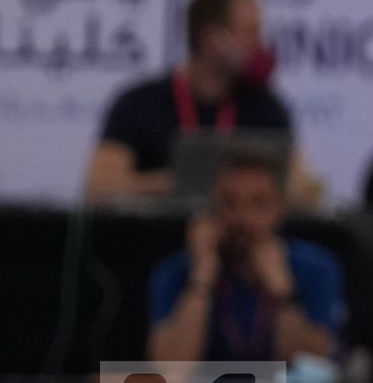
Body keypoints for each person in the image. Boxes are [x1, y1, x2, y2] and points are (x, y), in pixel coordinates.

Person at [86, 0, 323, 207]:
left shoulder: (267, 107)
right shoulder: (138, 104)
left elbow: (303, 187)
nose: (261, 45)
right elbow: (98, 187)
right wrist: (163, 186)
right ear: (212, 39)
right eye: (250, 33)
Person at [147, 143, 344, 363]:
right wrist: (201, 279)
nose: (242, 216)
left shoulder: (315, 267)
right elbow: (168, 370)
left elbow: (313, 367)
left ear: (279, 209)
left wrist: (283, 291)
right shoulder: (177, 271)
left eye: (258, 203)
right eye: (229, 202)